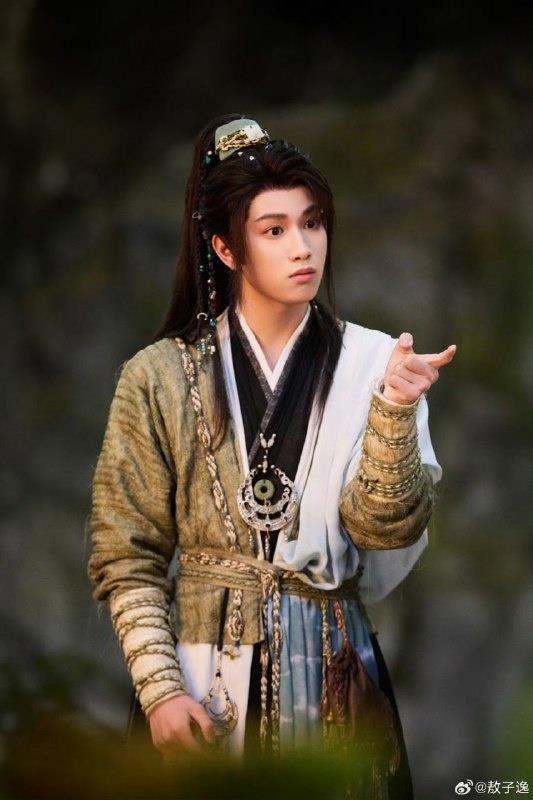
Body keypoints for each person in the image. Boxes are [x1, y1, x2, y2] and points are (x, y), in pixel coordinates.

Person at [87, 114, 456, 798]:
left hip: (335, 674)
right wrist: (161, 691)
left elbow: (384, 529)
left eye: (312, 223)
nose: (302, 248)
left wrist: (393, 410)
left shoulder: (377, 363)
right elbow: (125, 553)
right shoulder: (158, 376)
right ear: (226, 248)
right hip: (197, 677)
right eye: (274, 230)